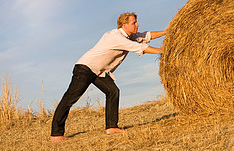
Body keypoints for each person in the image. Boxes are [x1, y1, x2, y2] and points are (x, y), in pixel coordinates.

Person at [50, 12, 167, 142]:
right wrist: (162, 51)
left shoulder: (128, 36)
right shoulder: (115, 37)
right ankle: (56, 134)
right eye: (134, 23)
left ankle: (111, 127)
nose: (137, 25)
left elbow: (145, 36)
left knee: (113, 91)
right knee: (70, 98)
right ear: (125, 25)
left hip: (98, 71)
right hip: (85, 68)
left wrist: (167, 31)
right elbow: (139, 47)